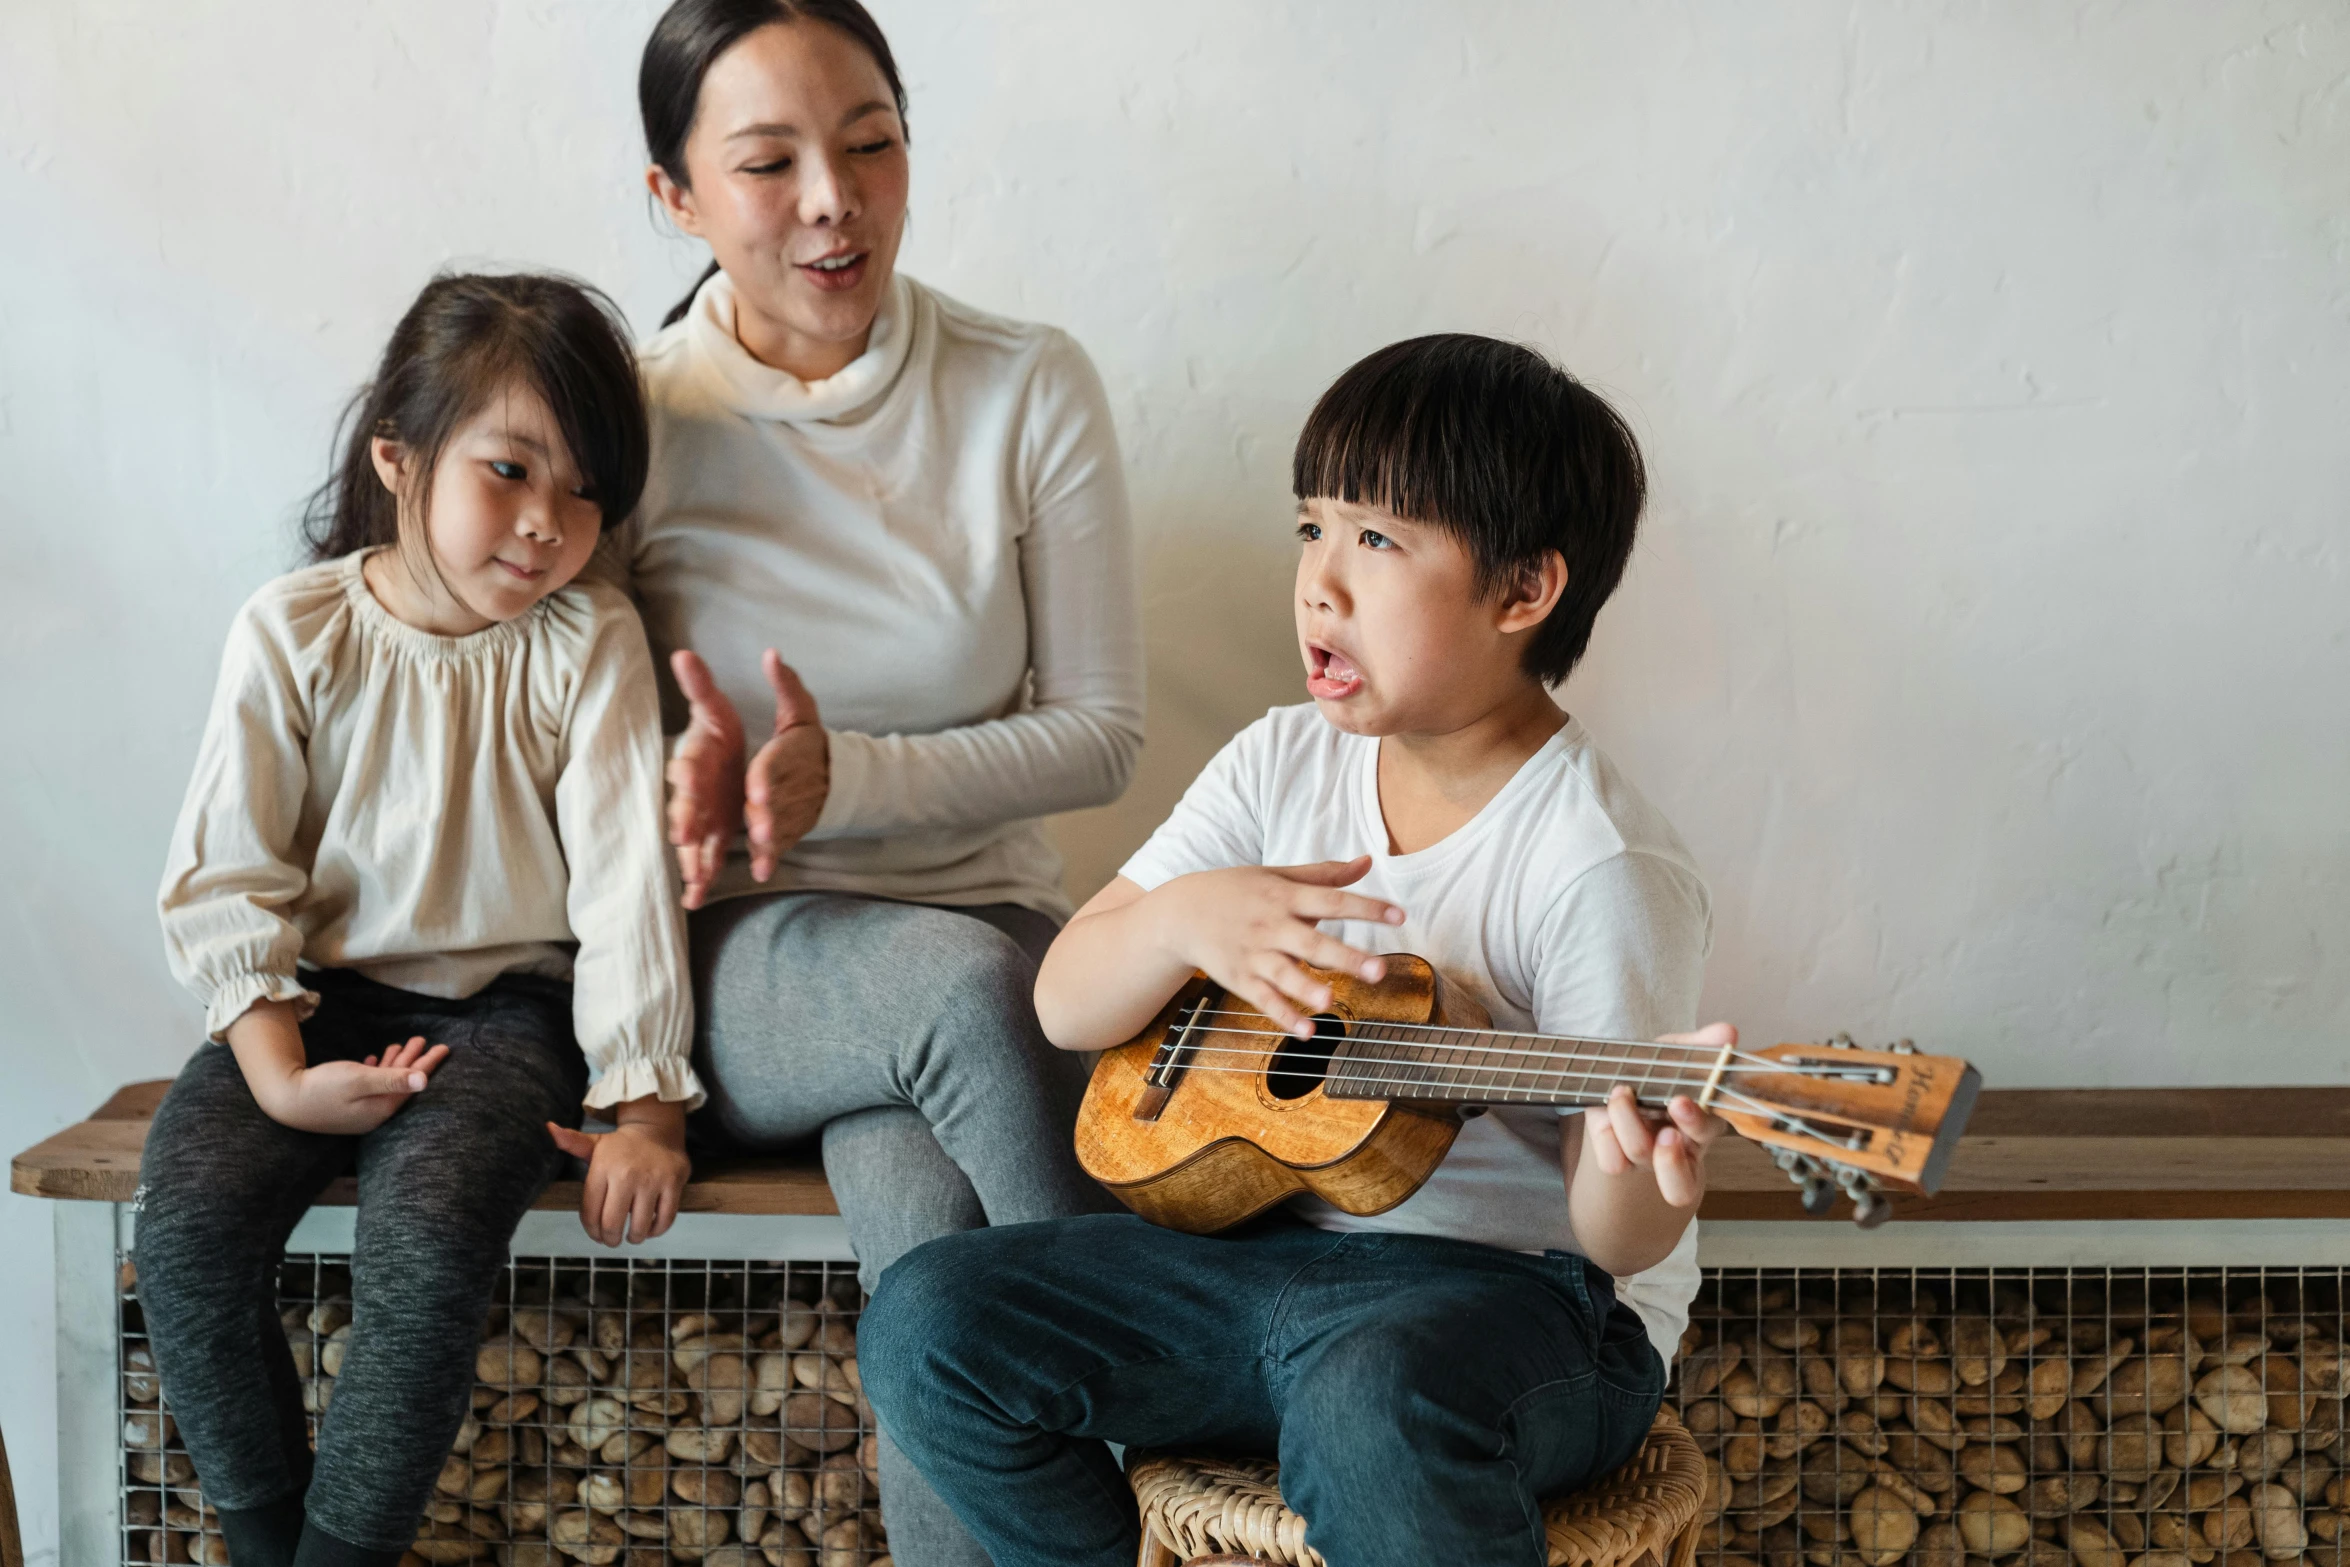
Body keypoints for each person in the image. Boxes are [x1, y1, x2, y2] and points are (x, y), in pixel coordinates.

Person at [859, 334, 1736, 1567]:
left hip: (1515, 1314)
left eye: (1376, 541)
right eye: (1310, 527)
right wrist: (1179, 920)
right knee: (929, 1316)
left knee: (1374, 1399)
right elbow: (1064, 1003)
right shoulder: (1280, 761)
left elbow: (1617, 1239)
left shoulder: (1596, 861)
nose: (1319, 581)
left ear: (1522, 590)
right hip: (1257, 1266)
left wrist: (1653, 1166)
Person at [622, 3, 1142, 1560]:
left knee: (933, 1279)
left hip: (996, 933)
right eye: (768, 162)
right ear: (676, 197)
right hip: (751, 958)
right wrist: (683, 782)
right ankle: (1170, 1391)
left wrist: (844, 774)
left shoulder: (1025, 383)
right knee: (966, 995)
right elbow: (551, 742)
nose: (833, 201)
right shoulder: (630, 423)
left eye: (868, 143)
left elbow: (1101, 731)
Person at [135, 273, 702, 1567]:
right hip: (303, 999)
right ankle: (270, 1534)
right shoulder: (296, 629)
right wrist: (279, 1077)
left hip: (502, 1010)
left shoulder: (589, 638)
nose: (547, 523)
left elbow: (625, 881)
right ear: (399, 456)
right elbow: (231, 870)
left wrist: (645, 1105)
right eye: (508, 469)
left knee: (431, 1235)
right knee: (183, 1229)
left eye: (582, 490)